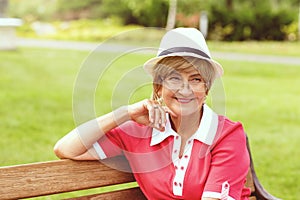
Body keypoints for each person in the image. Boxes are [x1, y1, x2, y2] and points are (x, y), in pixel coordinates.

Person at [54, 28, 251, 200]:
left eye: (196, 79)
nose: (185, 89)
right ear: (158, 88)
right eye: (174, 78)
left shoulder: (227, 135)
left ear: (206, 89)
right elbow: (66, 149)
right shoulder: (139, 131)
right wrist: (126, 113)